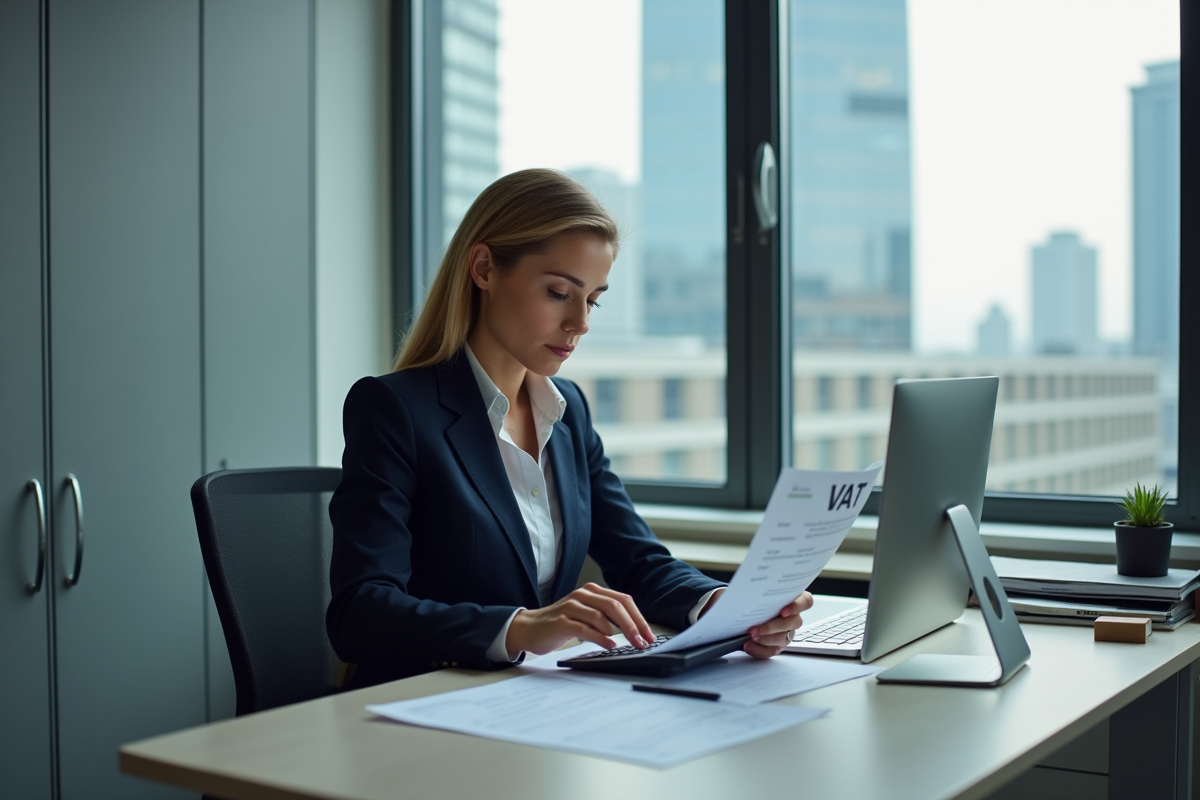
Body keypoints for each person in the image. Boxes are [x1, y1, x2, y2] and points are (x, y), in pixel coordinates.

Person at [326, 168, 812, 688]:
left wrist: (722, 606)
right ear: (485, 268)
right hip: (418, 704)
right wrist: (520, 629)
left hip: (526, 704)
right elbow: (360, 612)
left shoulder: (567, 410)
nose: (581, 322)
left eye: (593, 299)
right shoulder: (395, 408)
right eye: (560, 292)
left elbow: (638, 560)